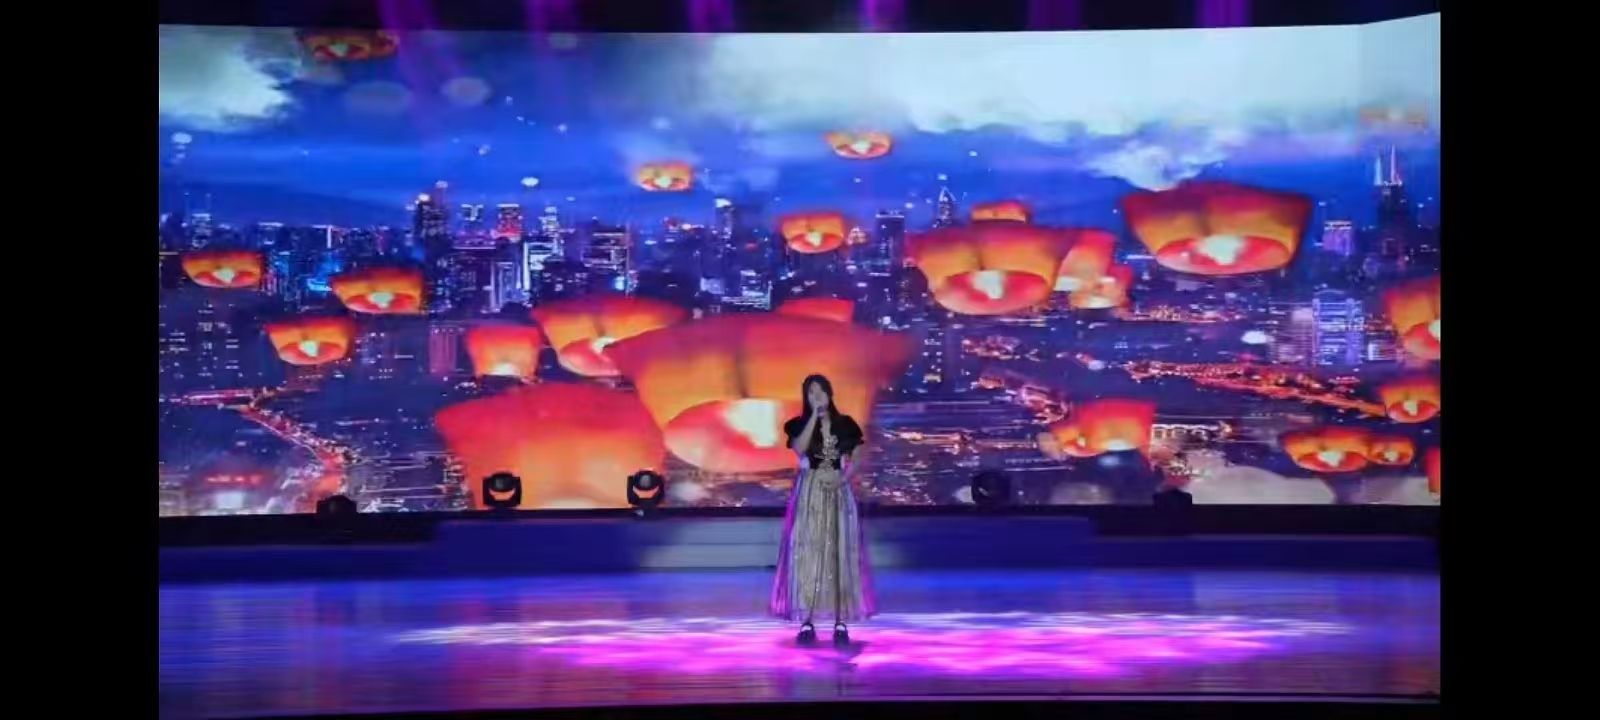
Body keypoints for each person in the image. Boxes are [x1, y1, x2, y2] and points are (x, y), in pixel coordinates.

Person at [770, 374, 876, 646]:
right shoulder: (797, 424)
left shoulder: (846, 424)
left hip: (839, 491)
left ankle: (841, 621)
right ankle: (807, 620)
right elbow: (799, 448)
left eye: (820, 391)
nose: (816, 396)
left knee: (840, 552)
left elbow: (857, 457)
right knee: (809, 552)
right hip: (810, 491)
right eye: (811, 393)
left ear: (830, 393)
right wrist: (813, 419)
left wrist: (843, 478)